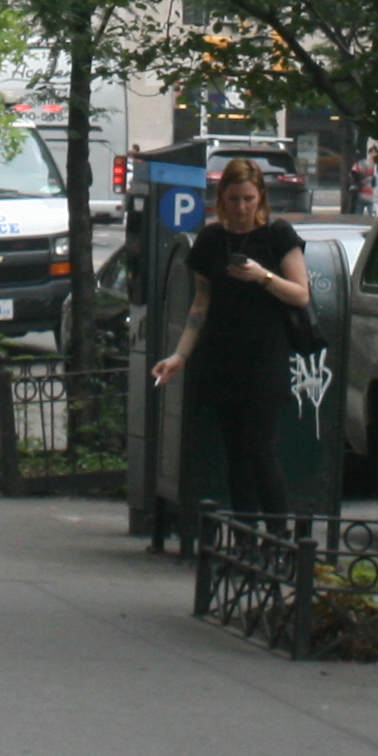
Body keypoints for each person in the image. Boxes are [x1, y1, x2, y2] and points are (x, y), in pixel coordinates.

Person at [151, 160, 311, 517]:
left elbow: (301, 294)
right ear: (222, 198)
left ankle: (278, 533)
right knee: (236, 453)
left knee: (260, 449)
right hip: (223, 358)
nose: (241, 207)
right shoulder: (212, 240)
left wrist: (262, 276)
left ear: (261, 197)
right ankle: (245, 534)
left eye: (249, 199)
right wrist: (180, 356)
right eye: (234, 198)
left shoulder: (277, 235)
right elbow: (200, 305)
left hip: (265, 358)